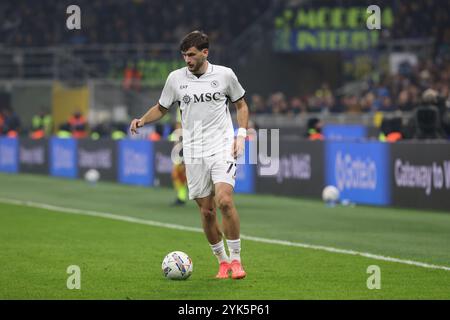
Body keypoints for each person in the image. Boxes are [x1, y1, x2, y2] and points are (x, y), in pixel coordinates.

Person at [130, 31, 249, 280]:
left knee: (224, 200)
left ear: (205, 53)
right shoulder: (175, 79)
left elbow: (241, 104)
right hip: (194, 151)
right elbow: (161, 108)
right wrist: (142, 120)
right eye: (184, 55)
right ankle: (223, 262)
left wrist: (240, 135)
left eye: (192, 54)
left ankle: (237, 260)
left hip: (222, 146)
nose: (187, 59)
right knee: (206, 211)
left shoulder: (225, 75)